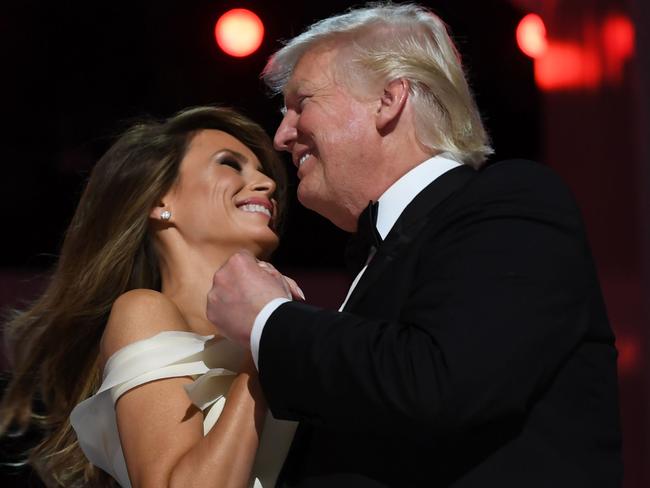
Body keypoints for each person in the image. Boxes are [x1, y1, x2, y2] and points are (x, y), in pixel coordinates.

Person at [206, 3, 623, 487]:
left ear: (389, 99)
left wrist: (267, 318)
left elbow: (440, 381)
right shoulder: (380, 253)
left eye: (302, 103)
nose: (281, 136)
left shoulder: (514, 201)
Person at [0, 106, 299, 487]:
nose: (266, 183)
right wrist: (265, 344)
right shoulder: (142, 311)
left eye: (263, 172)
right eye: (230, 164)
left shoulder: (287, 326)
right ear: (160, 202)